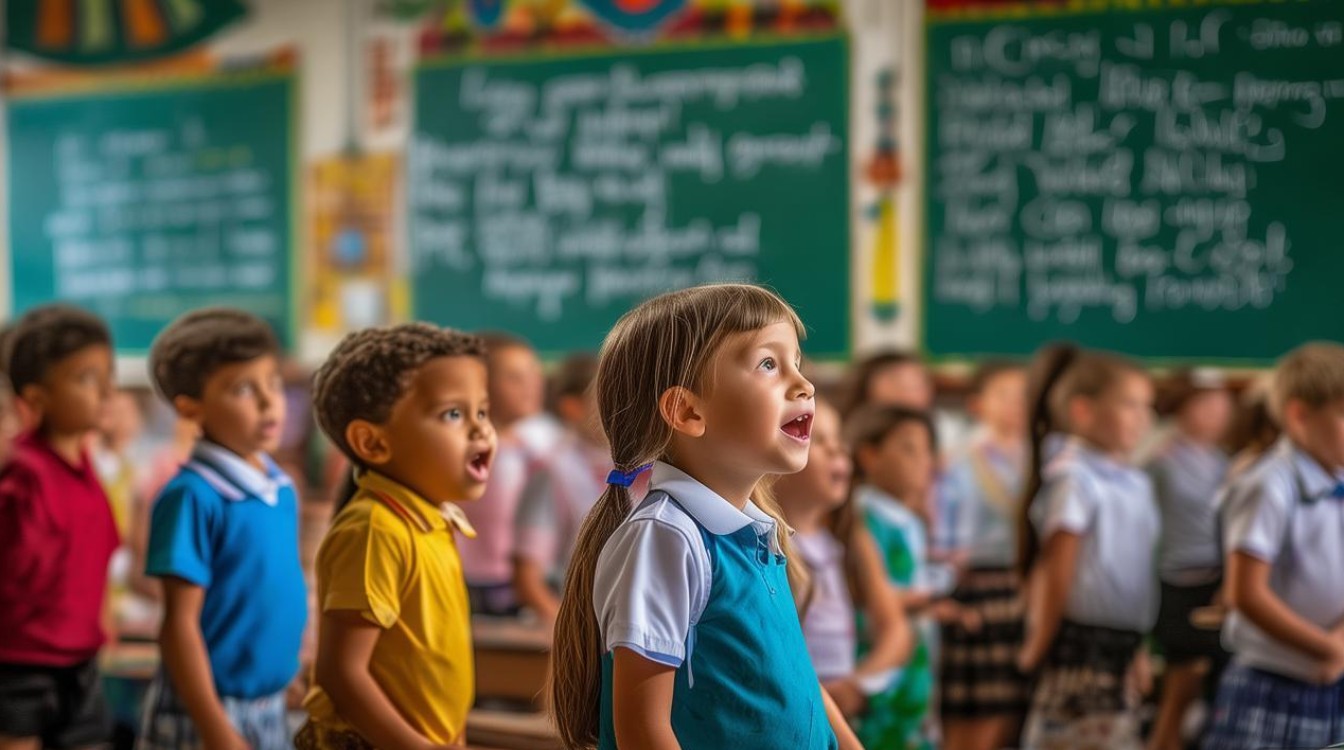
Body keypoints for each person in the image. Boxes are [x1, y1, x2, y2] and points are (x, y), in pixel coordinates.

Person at [551, 284, 860, 749]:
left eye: (797, 362)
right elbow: (642, 730)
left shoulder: (758, 532)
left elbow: (795, 676)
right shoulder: (666, 537)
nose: (804, 385)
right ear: (688, 411)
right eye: (768, 364)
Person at [300, 323, 496, 749]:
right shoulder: (375, 528)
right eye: (453, 414)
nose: (481, 429)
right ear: (372, 443)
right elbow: (341, 674)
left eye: (482, 411)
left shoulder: (432, 520)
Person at [137, 309, 307, 750]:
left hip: (268, 704)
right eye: (244, 389)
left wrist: (282, 673)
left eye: (273, 382)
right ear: (191, 408)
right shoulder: (193, 496)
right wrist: (215, 727)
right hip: (207, 711)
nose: (269, 402)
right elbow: (179, 626)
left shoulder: (280, 487)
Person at [1015, 345, 1159, 750]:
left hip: (1121, 646)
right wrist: (1038, 645)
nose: (1144, 418)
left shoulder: (1134, 481)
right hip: (1079, 650)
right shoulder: (1074, 479)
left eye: (1147, 406)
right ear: (1083, 411)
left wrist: (1139, 650)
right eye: (1130, 405)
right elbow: (1057, 570)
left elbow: (1136, 574)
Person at [1202, 343, 1344, 749]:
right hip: (1271, 685)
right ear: (1300, 416)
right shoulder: (1269, 485)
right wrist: (1327, 648)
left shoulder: (1337, 480)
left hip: (1330, 680)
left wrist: (1339, 644)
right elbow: (1245, 593)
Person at [0, 304, 118, 750]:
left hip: (81, 661)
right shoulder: (22, 474)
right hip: (21, 666)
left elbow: (98, 557)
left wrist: (101, 625)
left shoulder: (86, 470)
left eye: (108, 375)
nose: (106, 391)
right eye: (86, 378)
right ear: (35, 400)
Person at [775, 398, 912, 728]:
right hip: (790, 709)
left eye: (839, 440)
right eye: (819, 439)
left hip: (838, 711)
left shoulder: (851, 539)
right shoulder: (768, 543)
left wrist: (857, 685)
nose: (839, 450)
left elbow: (896, 630)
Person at [936, 361, 1033, 750]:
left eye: (1023, 396)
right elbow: (942, 530)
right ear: (977, 404)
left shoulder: (1041, 456)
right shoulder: (957, 459)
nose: (1016, 405)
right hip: (974, 587)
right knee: (976, 713)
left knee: (1013, 710)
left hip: (1024, 588)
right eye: (1004, 395)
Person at [849, 405, 957, 750]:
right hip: (877, 658)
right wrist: (922, 599)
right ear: (870, 455)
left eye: (928, 451)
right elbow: (866, 592)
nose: (924, 461)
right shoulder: (862, 516)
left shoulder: (907, 518)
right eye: (909, 449)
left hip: (913, 660)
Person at [1145, 369, 1232, 750]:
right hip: (1177, 584)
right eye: (1206, 403)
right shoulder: (1159, 459)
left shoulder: (1223, 459)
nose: (1217, 412)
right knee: (1180, 689)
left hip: (1220, 582)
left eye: (1221, 403)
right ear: (1183, 407)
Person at [513, 353, 614, 624]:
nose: (626, 408)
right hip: (580, 615)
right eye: (609, 398)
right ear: (573, 407)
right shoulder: (553, 470)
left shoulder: (644, 466)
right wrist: (568, 629)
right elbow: (528, 575)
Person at [459, 332, 546, 615]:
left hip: (517, 583)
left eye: (534, 375)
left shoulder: (533, 448)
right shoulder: (461, 449)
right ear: (481, 385)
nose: (530, 386)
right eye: (514, 378)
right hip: (471, 583)